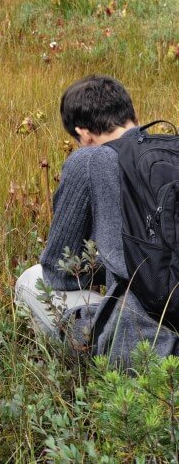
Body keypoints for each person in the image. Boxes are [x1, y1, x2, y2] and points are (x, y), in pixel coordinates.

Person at [15, 75, 179, 363]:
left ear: (84, 134)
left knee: (32, 281)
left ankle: (85, 369)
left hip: (154, 353)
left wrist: (105, 265)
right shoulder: (172, 148)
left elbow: (59, 272)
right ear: (132, 115)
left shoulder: (90, 159)